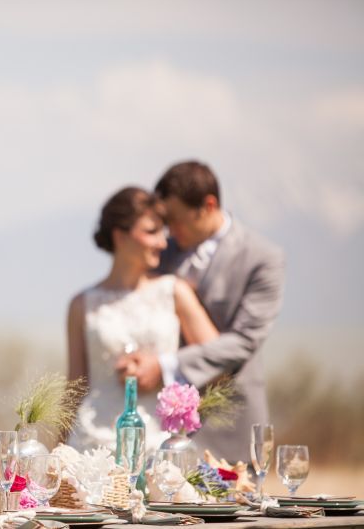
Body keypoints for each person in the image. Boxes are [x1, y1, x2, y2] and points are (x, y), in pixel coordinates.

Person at [121, 160, 285, 463]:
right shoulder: (160, 250)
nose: (171, 231)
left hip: (228, 427)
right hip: (158, 431)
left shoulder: (262, 258)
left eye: (177, 221)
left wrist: (165, 366)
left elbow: (243, 342)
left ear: (208, 206)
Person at [67, 186, 219, 451]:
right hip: (92, 442)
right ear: (120, 236)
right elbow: (74, 390)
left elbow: (217, 359)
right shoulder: (82, 305)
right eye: (151, 232)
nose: (163, 242)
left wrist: (163, 368)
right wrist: (58, 454)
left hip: (159, 440)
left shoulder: (175, 292)